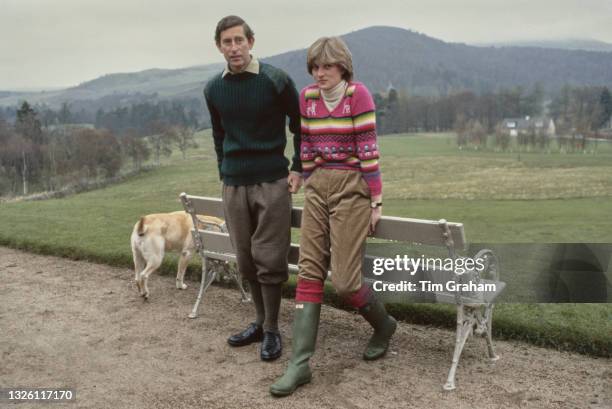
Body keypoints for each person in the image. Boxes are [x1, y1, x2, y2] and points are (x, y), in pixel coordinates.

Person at [270, 36, 396, 396]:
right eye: (314, 66)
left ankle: (384, 325)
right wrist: (309, 179)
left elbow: (369, 152)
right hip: (318, 186)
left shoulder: (358, 96)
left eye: (326, 66)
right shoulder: (308, 98)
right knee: (309, 271)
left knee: (344, 281)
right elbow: (306, 144)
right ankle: (299, 365)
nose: (319, 73)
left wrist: (376, 200)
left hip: (352, 187)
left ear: (343, 66)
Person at [204, 15, 302, 362]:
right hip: (234, 183)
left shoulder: (276, 80)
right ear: (219, 46)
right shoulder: (214, 89)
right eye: (227, 42)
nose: (234, 48)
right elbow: (219, 135)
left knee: (270, 257)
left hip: (272, 181)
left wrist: (299, 166)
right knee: (245, 259)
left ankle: (273, 329)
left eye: (239, 40)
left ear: (251, 41)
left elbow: (300, 123)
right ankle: (259, 322)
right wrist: (223, 170)